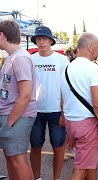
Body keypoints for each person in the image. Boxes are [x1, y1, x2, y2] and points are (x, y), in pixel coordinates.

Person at [60, 32, 98, 180]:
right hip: (87, 125)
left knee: (89, 164)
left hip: (71, 122)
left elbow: (63, 98)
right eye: (97, 47)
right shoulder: (94, 69)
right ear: (90, 47)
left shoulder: (67, 68)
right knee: (80, 170)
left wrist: (65, 120)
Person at [29, 26, 69, 180]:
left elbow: (66, 87)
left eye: (44, 38)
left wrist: (64, 112)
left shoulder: (61, 60)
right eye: (38, 39)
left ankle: (56, 178)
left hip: (56, 111)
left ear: (51, 41)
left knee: (59, 147)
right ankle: (37, 178)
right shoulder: (31, 59)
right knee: (35, 146)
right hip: (35, 110)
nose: (41, 42)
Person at [0, 19, 37, 180]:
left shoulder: (20, 58)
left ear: (2, 35)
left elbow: (26, 94)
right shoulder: (12, 57)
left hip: (16, 117)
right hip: (12, 116)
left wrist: (10, 121)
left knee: (18, 159)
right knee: (11, 157)